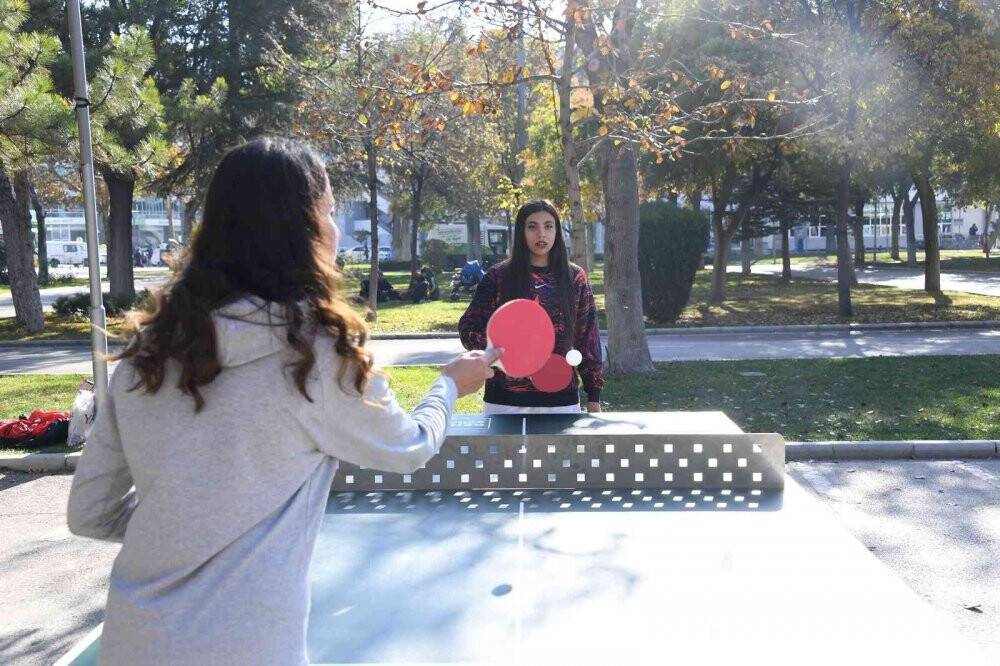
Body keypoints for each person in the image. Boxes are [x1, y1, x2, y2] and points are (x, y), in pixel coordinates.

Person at [66, 137, 500, 666]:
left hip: (134, 644)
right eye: (332, 211)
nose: (338, 228)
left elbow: (90, 513)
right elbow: (408, 447)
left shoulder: (145, 353)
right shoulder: (318, 353)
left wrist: (184, 520)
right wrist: (451, 384)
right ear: (306, 229)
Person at [458, 199, 604, 415]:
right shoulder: (498, 276)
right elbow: (468, 328)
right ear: (521, 232)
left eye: (548, 226)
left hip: (561, 402)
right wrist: (502, 355)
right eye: (532, 226)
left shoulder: (575, 278)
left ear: (557, 231)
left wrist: (594, 396)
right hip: (504, 402)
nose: (541, 234)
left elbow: (587, 337)